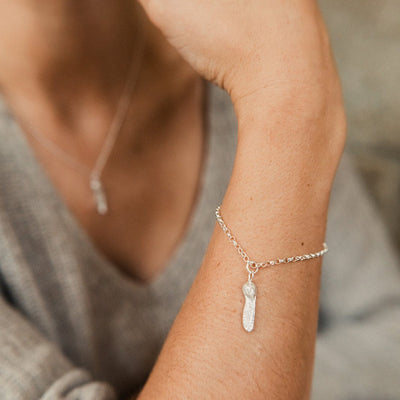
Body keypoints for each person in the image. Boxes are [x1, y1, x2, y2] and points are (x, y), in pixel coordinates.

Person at [0, 1, 399, 399]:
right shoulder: (273, 82)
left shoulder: (244, 62)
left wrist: (285, 100)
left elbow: (388, 335)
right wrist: (286, 104)